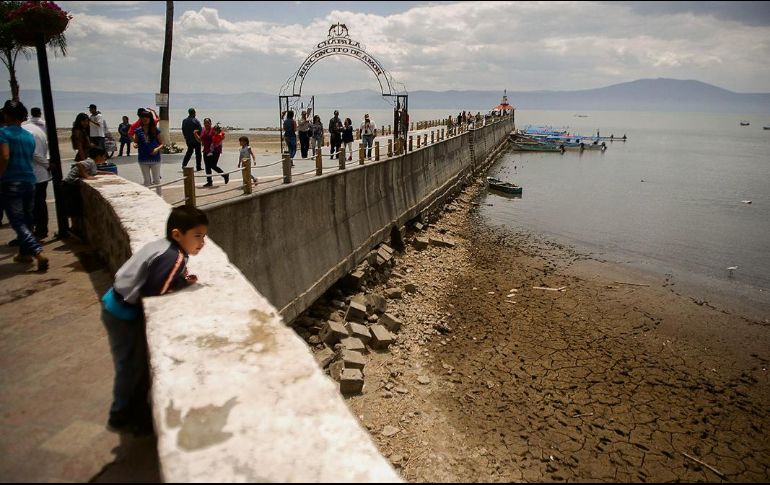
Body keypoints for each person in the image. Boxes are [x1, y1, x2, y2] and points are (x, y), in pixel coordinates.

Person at [100, 205, 208, 435]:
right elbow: (155, 291)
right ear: (177, 235)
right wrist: (180, 283)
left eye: (204, 236)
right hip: (123, 313)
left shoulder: (163, 246)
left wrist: (179, 279)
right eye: (197, 236)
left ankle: (127, 412)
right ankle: (124, 416)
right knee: (132, 368)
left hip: (114, 301)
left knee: (130, 365)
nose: (202, 242)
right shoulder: (174, 256)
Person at [0, 100, 49, 271]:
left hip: (11, 180)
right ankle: (24, 253)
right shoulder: (28, 135)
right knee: (28, 219)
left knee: (17, 221)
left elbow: (5, 157)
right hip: (30, 180)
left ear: (6, 115)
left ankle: (36, 251)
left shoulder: (3, 133)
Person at [21, 116, 49, 239]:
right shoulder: (37, 129)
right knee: (40, 204)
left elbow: (34, 153)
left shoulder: (24, 131)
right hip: (41, 174)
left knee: (29, 207)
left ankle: (32, 234)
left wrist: (47, 165)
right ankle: (41, 230)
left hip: (32, 174)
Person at [132, 110, 163, 194]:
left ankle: (159, 197)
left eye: (147, 117)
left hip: (155, 159)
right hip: (143, 158)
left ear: (150, 119)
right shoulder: (138, 131)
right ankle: (149, 196)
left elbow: (161, 143)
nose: (145, 119)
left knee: (156, 179)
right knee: (146, 181)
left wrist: (157, 149)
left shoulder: (155, 130)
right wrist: (135, 144)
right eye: (143, 117)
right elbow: (135, 141)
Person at [200, 118, 227, 187]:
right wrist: (195, 134)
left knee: (213, 165)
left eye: (208, 122)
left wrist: (218, 141)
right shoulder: (203, 130)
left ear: (210, 123)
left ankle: (225, 175)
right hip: (206, 150)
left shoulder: (214, 130)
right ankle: (209, 182)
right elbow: (201, 140)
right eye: (205, 123)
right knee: (207, 167)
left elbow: (222, 136)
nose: (206, 124)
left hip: (215, 150)